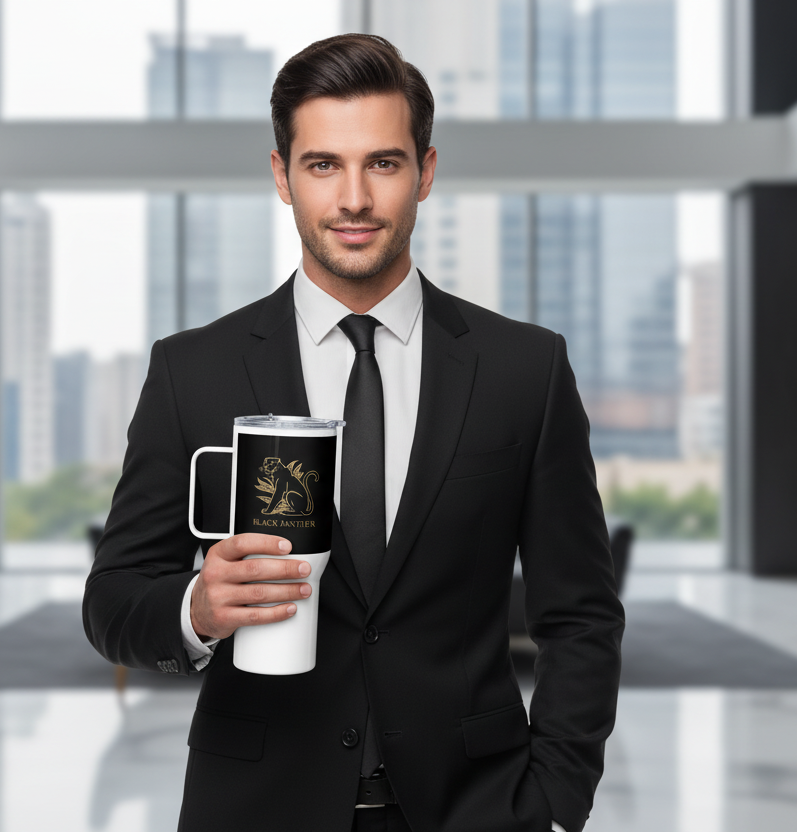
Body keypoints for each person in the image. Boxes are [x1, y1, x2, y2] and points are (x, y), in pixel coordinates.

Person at [83, 33, 624, 832]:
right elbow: (114, 599)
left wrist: (554, 802)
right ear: (283, 177)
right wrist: (199, 605)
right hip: (257, 809)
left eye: (383, 162)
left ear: (425, 172)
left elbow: (580, 615)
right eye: (323, 165)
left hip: (475, 808)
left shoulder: (524, 370)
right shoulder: (192, 370)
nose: (354, 200)